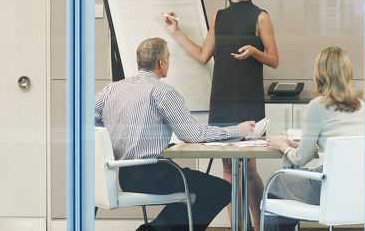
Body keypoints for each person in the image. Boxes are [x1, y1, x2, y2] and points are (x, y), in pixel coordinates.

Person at [94, 37, 256, 231]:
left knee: (197, 188)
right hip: (155, 174)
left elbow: (87, 119)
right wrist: (237, 130)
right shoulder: (163, 92)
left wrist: (112, 132)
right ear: (161, 62)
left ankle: (155, 228)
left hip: (123, 175)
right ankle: (155, 229)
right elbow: (192, 134)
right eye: (169, 58)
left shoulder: (111, 89)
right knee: (219, 189)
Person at [167, 0, 278, 230]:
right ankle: (239, 228)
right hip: (222, 99)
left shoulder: (260, 16)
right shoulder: (219, 16)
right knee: (227, 169)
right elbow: (204, 56)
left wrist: (254, 51)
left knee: (249, 169)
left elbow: (274, 60)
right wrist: (176, 32)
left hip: (248, 99)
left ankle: (261, 224)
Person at [263, 47, 365, 231]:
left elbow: (301, 159)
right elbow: (344, 149)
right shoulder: (362, 106)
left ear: (319, 74)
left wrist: (283, 146)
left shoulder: (318, 105)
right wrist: (302, 145)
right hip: (363, 188)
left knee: (277, 182)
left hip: (330, 187)